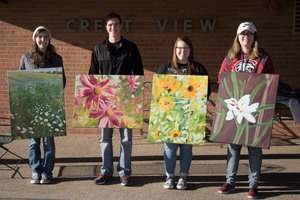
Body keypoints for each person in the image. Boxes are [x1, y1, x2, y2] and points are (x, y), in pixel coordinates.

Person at [217, 22, 275, 199]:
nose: (245, 37)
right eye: (242, 34)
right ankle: (230, 181)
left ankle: (253, 184)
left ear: (254, 37)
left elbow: (270, 83)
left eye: (249, 34)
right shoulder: (230, 58)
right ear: (237, 37)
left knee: (254, 149)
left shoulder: (264, 58)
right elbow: (221, 79)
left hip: (255, 110)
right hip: (235, 108)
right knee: (233, 147)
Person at [89, 12, 144, 186]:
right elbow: (92, 76)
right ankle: (106, 172)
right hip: (105, 102)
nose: (113, 28)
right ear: (106, 27)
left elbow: (139, 75)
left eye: (116, 24)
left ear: (121, 26)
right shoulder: (98, 49)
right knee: (105, 138)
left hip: (125, 101)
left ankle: (124, 173)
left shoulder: (131, 48)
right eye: (110, 25)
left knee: (126, 139)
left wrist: (134, 99)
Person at [157, 36, 211, 190]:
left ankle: (183, 177)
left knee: (186, 148)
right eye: (179, 48)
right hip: (170, 116)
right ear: (175, 50)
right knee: (170, 147)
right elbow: (158, 92)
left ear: (190, 50)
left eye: (186, 48)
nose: (182, 51)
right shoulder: (165, 68)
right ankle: (169, 176)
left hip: (190, 116)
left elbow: (206, 92)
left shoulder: (198, 69)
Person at [19, 26, 66, 184]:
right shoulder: (26, 57)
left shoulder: (56, 58)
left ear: (49, 39)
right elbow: (20, 81)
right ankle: (35, 170)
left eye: (46, 37)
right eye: (40, 36)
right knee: (33, 142)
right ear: (35, 38)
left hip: (50, 106)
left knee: (48, 142)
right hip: (32, 106)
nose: (42, 40)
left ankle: (47, 171)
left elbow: (62, 81)